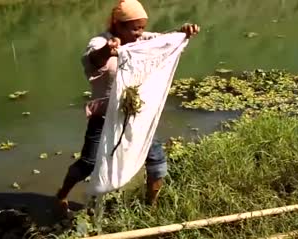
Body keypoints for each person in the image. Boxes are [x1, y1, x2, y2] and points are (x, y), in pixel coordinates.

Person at [56, 0, 200, 214]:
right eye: (135, 28)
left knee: (156, 160)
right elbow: (93, 59)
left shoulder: (142, 40)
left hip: (134, 116)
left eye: (142, 27)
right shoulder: (100, 42)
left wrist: (183, 32)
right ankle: (62, 194)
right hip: (104, 117)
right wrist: (109, 50)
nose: (139, 33)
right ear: (118, 25)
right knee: (88, 163)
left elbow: (164, 41)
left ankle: (151, 207)